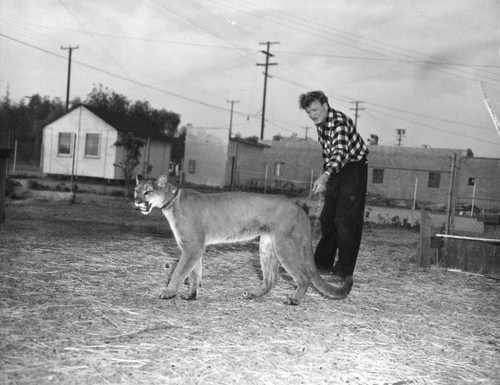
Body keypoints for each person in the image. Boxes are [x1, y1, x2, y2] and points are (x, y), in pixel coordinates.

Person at [299, 91, 368, 282]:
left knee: (345, 222)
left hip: (353, 169)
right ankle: (321, 264)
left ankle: (343, 272)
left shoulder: (338, 122)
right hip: (336, 169)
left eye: (314, 109)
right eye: (309, 112)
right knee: (327, 218)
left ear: (325, 105)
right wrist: (327, 175)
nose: (312, 114)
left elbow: (340, 154)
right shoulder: (321, 124)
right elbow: (329, 155)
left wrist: (324, 177)